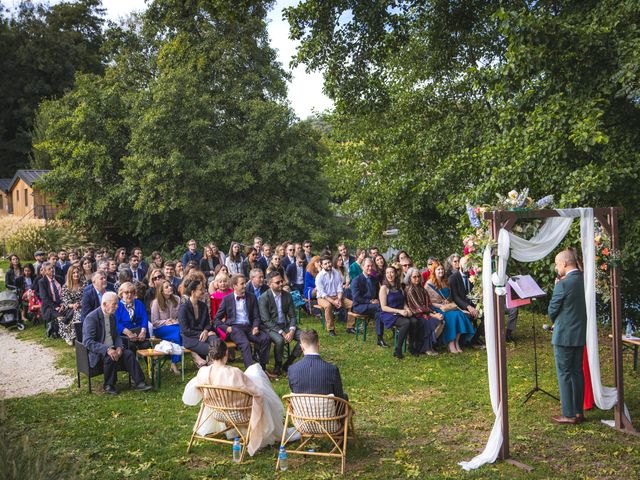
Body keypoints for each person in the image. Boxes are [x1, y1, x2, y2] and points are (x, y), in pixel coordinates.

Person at [182, 340, 285, 456]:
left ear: (210, 355)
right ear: (226, 353)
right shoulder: (234, 373)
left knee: (254, 371)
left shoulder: (203, 372)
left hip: (216, 412)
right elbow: (257, 393)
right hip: (239, 414)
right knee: (260, 386)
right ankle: (266, 430)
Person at [82, 292, 152, 394]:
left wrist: (119, 347)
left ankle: (139, 382)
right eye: (114, 304)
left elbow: (116, 336)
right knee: (110, 356)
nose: (117, 306)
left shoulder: (112, 316)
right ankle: (109, 385)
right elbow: (88, 342)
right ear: (105, 304)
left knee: (128, 354)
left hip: (113, 347)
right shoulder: (92, 318)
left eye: (117, 304)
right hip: (98, 352)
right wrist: (107, 349)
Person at [548, 249, 587, 425]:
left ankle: (569, 414)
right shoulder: (584, 279)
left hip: (564, 335)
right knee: (577, 372)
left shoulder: (562, 284)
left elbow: (552, 310)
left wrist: (557, 286)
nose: (556, 268)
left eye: (557, 264)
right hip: (579, 333)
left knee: (564, 373)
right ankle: (579, 412)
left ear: (564, 263)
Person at [213, 274, 271, 370]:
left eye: (245, 283)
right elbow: (216, 319)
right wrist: (226, 328)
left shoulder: (251, 297)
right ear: (235, 286)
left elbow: (256, 316)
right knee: (245, 344)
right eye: (242, 283)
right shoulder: (227, 299)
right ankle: (250, 371)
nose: (245, 285)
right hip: (234, 328)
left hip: (249, 327)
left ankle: (262, 368)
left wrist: (256, 326)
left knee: (265, 338)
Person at [258, 272, 302, 376]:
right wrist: (282, 332)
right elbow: (266, 320)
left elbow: (292, 316)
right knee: (280, 340)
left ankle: (288, 363)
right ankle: (278, 366)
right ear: (269, 284)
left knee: (305, 337)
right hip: (270, 327)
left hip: (285, 325)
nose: (281, 284)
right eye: (277, 282)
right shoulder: (264, 298)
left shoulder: (287, 295)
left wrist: (291, 330)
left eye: (282, 281)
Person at [426, 262, 475, 354]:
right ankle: (450, 343)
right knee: (453, 316)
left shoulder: (446, 282)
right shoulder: (429, 284)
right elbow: (428, 302)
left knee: (460, 314)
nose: (441, 271)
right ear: (434, 271)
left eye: (442, 269)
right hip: (436, 308)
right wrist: (440, 305)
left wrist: (461, 309)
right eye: (438, 269)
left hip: (448, 307)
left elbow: (451, 298)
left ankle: (456, 342)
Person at [288, 329, 347, 399]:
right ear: (318, 344)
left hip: (301, 409)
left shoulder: (292, 369)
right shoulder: (332, 369)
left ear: (301, 347)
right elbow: (339, 398)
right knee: (345, 396)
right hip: (326, 409)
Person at [379, 266, 422, 359]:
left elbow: (404, 302)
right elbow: (383, 307)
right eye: (387, 273)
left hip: (401, 311)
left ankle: (411, 346)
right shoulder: (384, 288)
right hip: (389, 313)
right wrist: (400, 311)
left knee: (414, 321)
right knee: (406, 323)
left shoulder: (400, 286)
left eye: (392, 272)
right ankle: (398, 349)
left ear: (396, 274)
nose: (389, 275)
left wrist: (407, 309)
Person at [404, 267, 444, 355]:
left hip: (426, 313)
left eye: (418, 276)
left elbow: (428, 304)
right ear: (409, 278)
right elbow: (418, 308)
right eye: (414, 277)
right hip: (416, 315)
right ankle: (426, 348)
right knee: (434, 322)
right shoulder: (410, 289)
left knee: (442, 321)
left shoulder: (422, 288)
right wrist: (433, 315)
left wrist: (434, 313)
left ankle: (429, 345)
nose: (417, 279)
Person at [179, 279, 216, 367]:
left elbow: (207, 323)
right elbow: (185, 330)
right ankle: (209, 364)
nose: (203, 291)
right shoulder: (184, 308)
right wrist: (202, 333)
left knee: (217, 343)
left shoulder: (203, 306)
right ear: (193, 292)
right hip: (190, 338)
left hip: (204, 335)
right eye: (200, 289)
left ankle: (212, 363)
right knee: (212, 349)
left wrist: (206, 331)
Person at [351, 258, 388, 347]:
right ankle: (391, 324)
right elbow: (356, 297)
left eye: (371, 266)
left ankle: (380, 338)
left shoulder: (374, 277)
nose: (370, 268)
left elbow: (379, 290)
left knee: (379, 313)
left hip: (373, 306)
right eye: (368, 266)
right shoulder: (357, 280)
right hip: (359, 306)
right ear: (362, 267)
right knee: (380, 307)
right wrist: (370, 301)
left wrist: (378, 299)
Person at [316, 256, 355, 336]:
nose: (328, 265)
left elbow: (340, 289)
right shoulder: (319, 277)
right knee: (328, 306)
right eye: (325, 264)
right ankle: (331, 329)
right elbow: (323, 294)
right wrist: (333, 302)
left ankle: (350, 327)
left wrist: (339, 299)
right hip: (323, 298)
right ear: (322, 265)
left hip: (337, 296)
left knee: (352, 304)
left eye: (329, 262)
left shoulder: (336, 273)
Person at [150, 279, 182, 375]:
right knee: (177, 332)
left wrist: (175, 321)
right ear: (161, 291)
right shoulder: (156, 302)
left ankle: (174, 362)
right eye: (166, 287)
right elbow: (154, 322)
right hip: (161, 329)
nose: (170, 288)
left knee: (178, 332)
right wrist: (166, 322)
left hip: (175, 326)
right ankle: (174, 363)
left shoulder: (177, 299)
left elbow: (181, 316)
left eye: (170, 286)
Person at [115, 282, 151, 354]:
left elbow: (144, 318)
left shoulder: (139, 303)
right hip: (125, 336)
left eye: (132, 292)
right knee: (131, 347)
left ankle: (149, 365)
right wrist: (128, 333)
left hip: (141, 335)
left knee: (146, 345)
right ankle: (133, 365)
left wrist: (143, 331)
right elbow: (117, 323)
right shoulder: (117, 306)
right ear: (121, 293)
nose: (130, 295)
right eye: (126, 292)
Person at [37, 261, 65, 338]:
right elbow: (44, 298)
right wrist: (56, 307)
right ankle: (54, 330)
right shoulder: (42, 282)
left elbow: (65, 292)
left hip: (62, 303)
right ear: (45, 271)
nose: (52, 270)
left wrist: (63, 303)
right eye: (49, 269)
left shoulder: (60, 279)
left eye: (52, 268)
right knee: (61, 317)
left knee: (70, 314)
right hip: (49, 307)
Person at [59, 265, 84, 346]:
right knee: (77, 312)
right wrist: (73, 305)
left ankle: (76, 336)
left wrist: (80, 303)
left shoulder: (84, 284)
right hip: (70, 308)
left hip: (83, 305)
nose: (76, 274)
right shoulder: (65, 287)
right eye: (73, 273)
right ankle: (75, 336)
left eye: (77, 272)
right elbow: (65, 302)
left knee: (79, 311)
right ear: (70, 274)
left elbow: (87, 296)